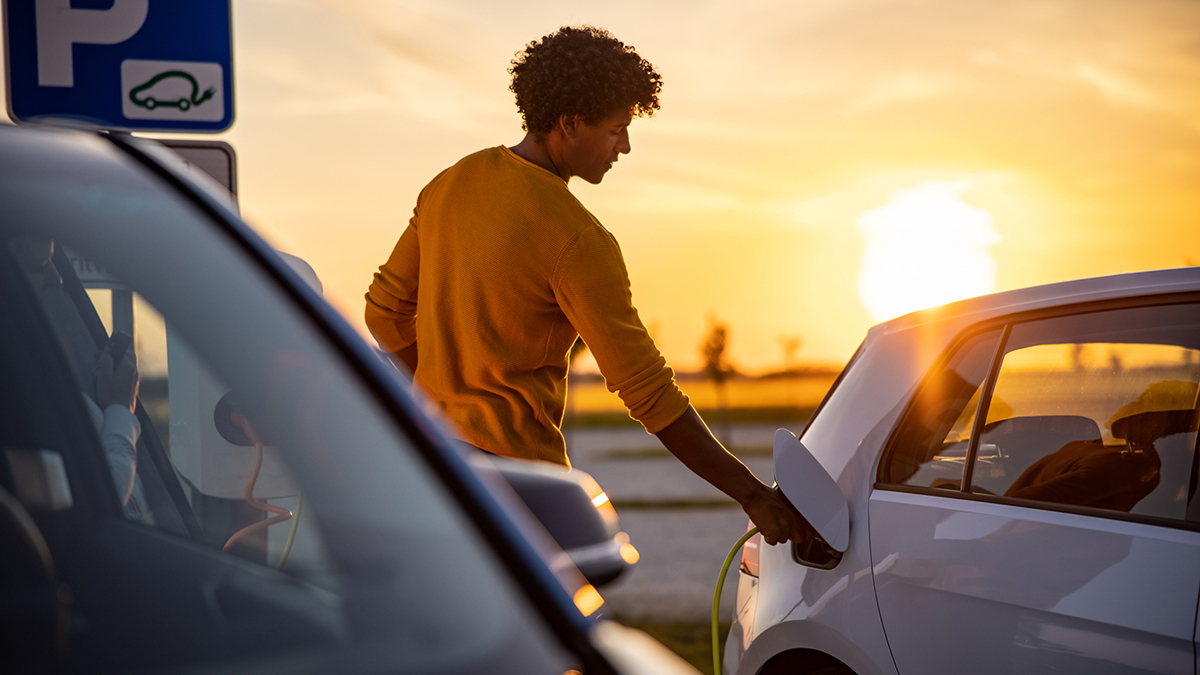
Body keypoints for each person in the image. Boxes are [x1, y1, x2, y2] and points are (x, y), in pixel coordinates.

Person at [365, 26, 806, 545]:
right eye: (616, 129)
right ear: (571, 123)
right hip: (522, 487)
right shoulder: (577, 239)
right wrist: (752, 494)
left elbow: (384, 314)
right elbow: (649, 392)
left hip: (433, 465)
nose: (625, 146)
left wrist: (441, 400)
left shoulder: (451, 182)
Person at [10, 236, 147, 521]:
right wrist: (120, 410)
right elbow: (104, 498)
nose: (57, 278)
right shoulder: (17, 390)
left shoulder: (27, 372)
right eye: (40, 266)